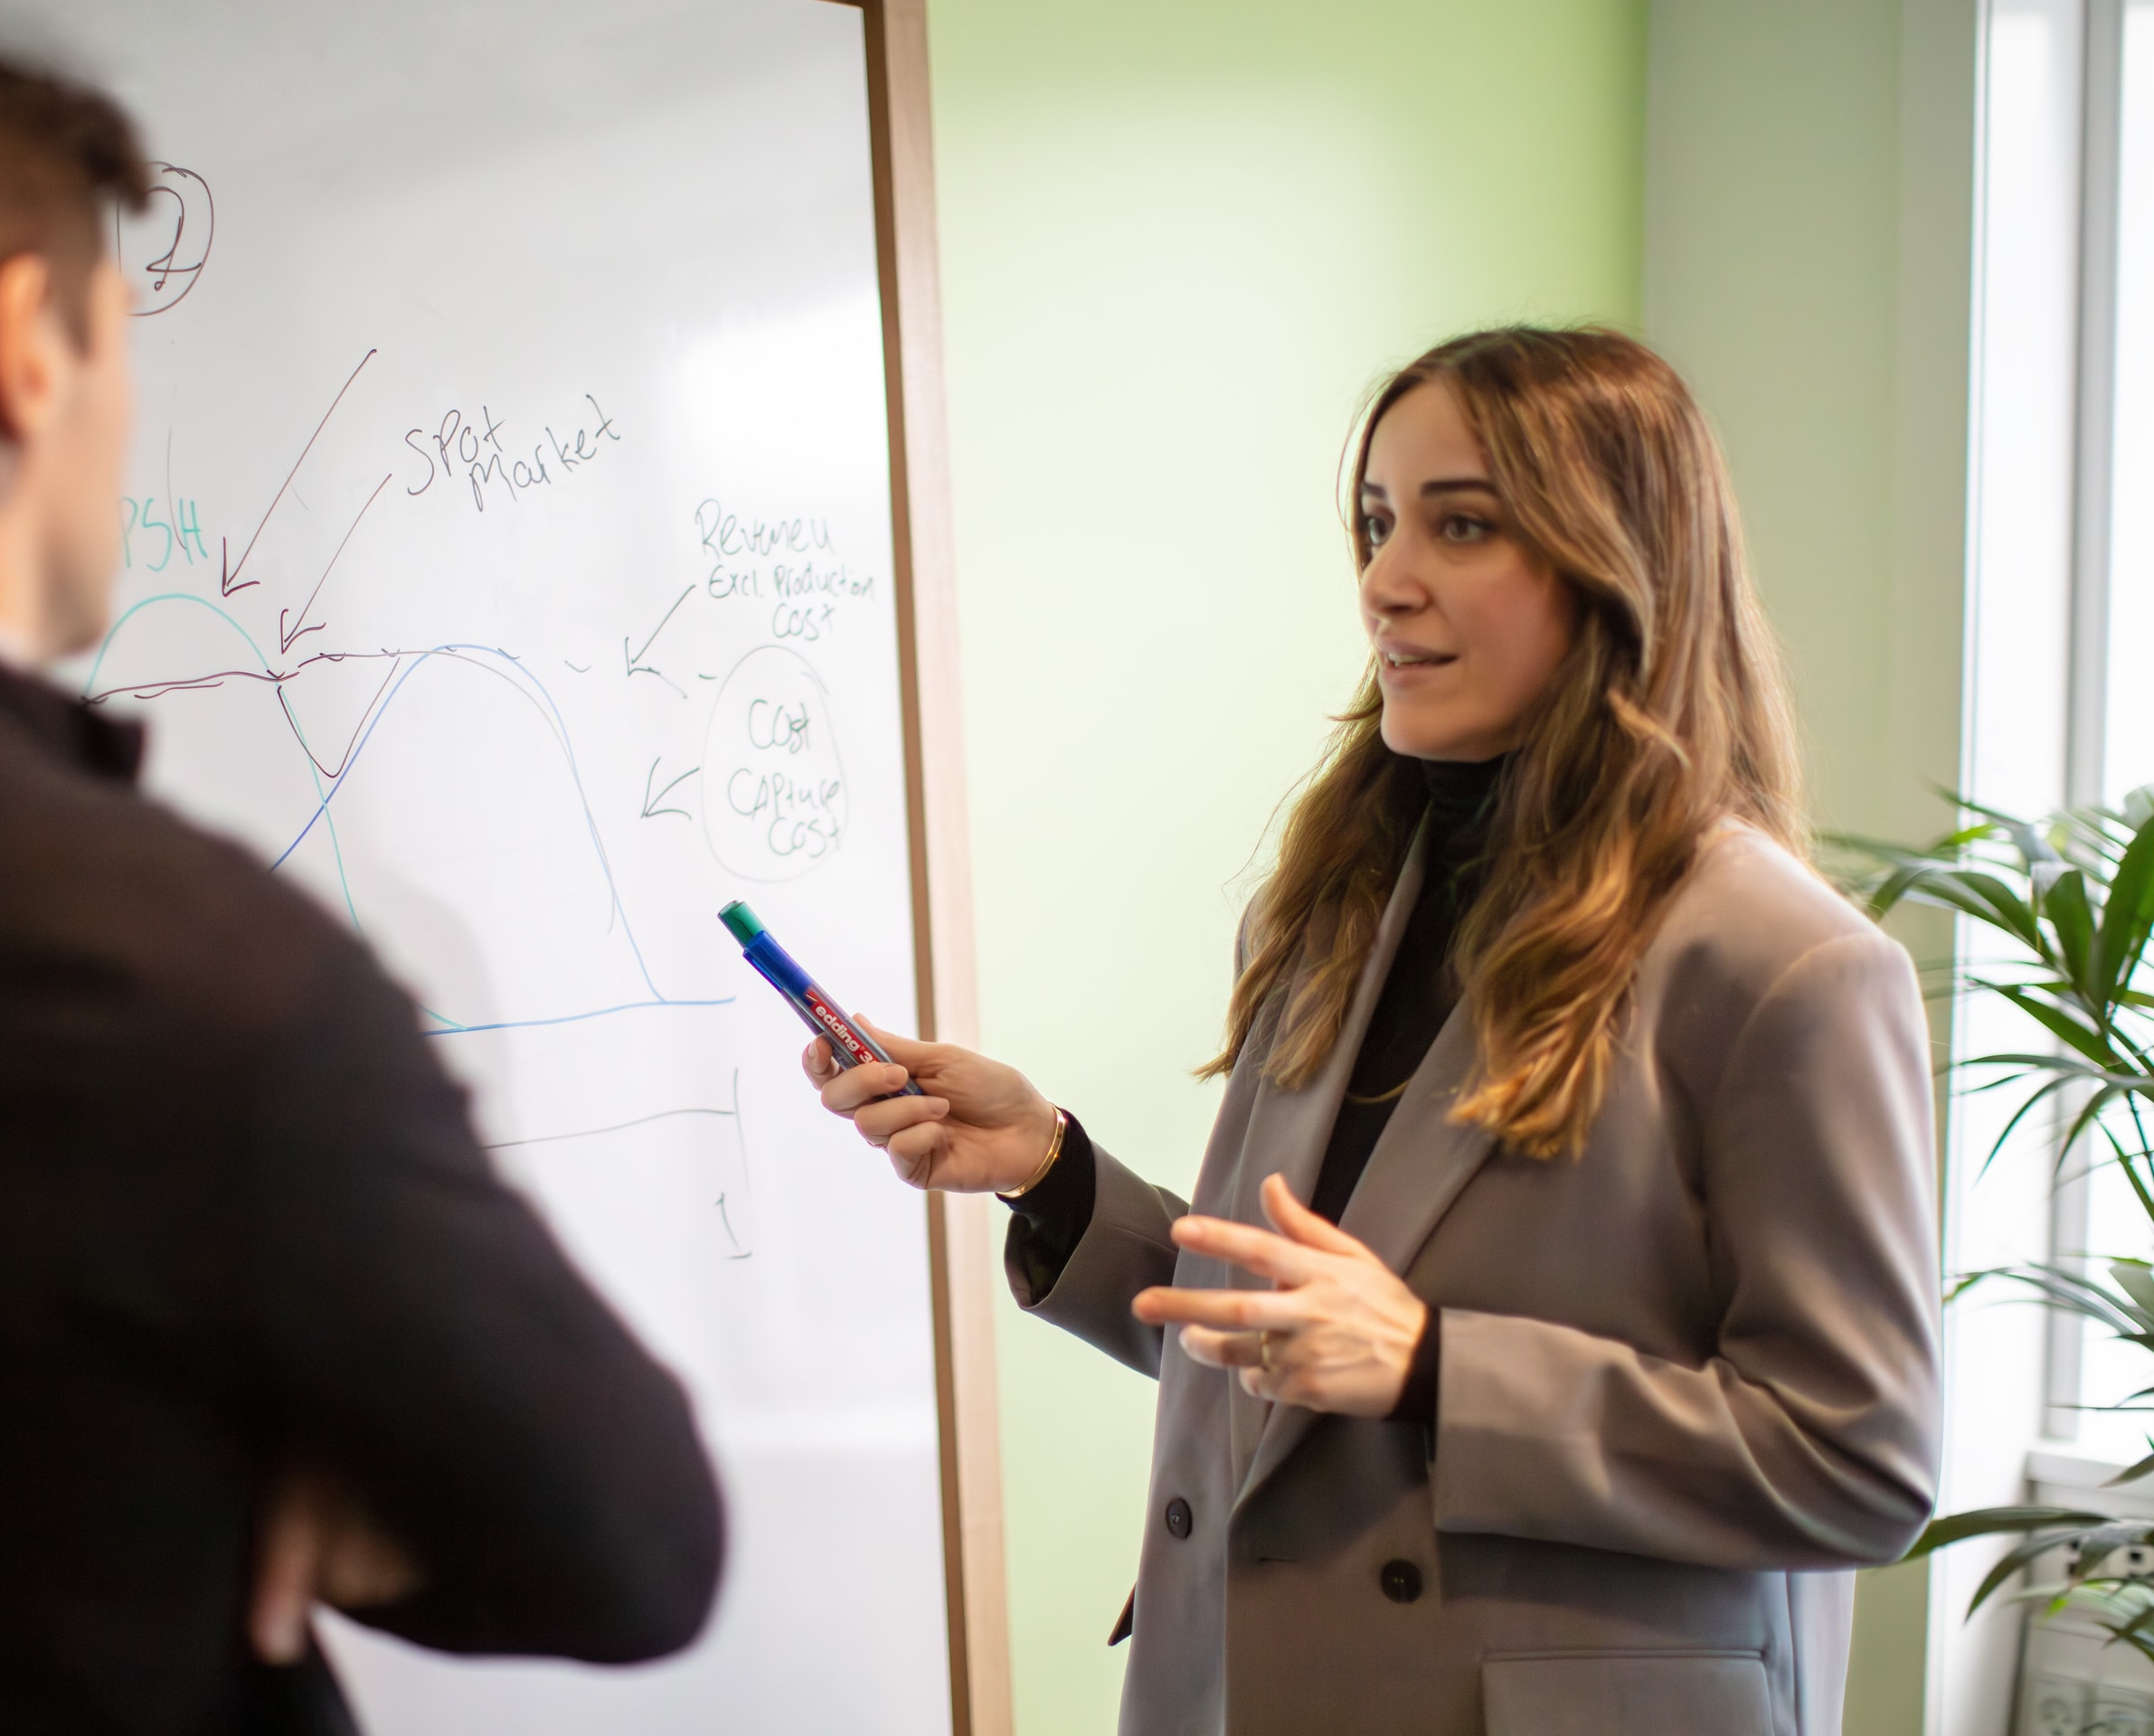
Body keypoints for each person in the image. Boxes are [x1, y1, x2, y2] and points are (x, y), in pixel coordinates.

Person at [0, 20, 721, 1733]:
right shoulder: (209, 979)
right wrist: (275, 1477)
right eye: (116, 334)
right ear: (25, 347)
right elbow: (637, 1545)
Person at [808, 326, 1939, 1736]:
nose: (1386, 582)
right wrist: (1049, 1169)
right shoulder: (1335, 905)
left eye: (1461, 526)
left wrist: (1436, 1368)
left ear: (1621, 566)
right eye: (1375, 523)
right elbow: (1297, 1340)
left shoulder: (1787, 966)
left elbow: (1862, 1464)